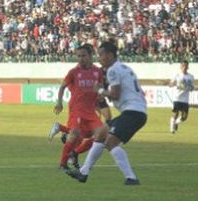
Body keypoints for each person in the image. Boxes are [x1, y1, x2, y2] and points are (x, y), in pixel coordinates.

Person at [66, 42, 146, 185]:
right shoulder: (125, 67)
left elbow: (115, 94)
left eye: (101, 54)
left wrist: (101, 91)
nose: (99, 57)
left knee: (110, 142)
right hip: (136, 111)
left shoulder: (112, 70)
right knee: (100, 135)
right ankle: (83, 172)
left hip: (133, 113)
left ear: (109, 56)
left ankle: (131, 177)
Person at [52, 45, 106, 171]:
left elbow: (100, 88)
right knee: (74, 134)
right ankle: (63, 163)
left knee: (102, 135)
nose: (81, 59)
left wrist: (100, 98)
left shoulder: (97, 72)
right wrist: (59, 102)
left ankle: (75, 153)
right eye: (79, 56)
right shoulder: (73, 72)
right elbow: (62, 87)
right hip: (77, 109)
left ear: (90, 56)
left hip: (90, 111)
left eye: (83, 56)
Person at [169, 60, 195, 133]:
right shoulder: (177, 75)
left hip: (185, 99)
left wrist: (191, 88)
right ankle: (172, 129)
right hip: (177, 98)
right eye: (183, 66)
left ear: (188, 67)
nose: (184, 67)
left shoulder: (191, 76)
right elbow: (170, 84)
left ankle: (176, 123)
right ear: (180, 67)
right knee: (175, 113)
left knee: (185, 117)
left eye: (186, 66)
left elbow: (192, 87)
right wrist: (173, 84)